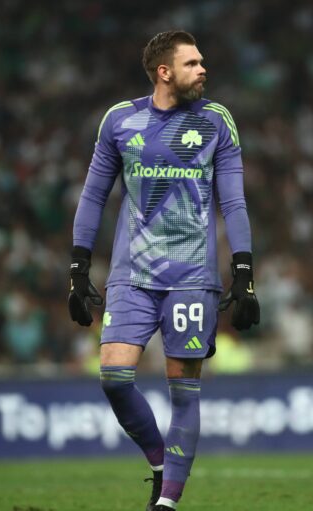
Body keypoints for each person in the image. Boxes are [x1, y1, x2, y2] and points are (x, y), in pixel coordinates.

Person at [68, 30, 259, 511]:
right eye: (193, 63)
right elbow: (93, 196)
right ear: (164, 72)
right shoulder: (120, 120)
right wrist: (78, 266)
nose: (203, 70)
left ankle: (167, 503)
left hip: (193, 276)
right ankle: (159, 463)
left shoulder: (217, 121)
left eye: (203, 62)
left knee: (184, 392)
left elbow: (232, 200)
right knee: (113, 377)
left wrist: (243, 270)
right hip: (132, 273)